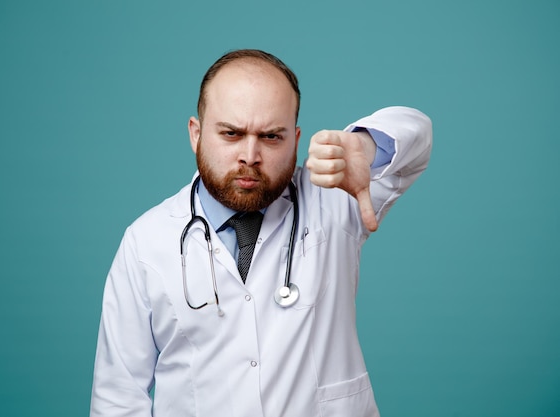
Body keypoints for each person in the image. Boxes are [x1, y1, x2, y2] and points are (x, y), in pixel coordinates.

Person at [90, 49, 432, 417]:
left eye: (271, 136)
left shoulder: (334, 199)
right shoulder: (146, 241)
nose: (250, 155)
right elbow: (117, 399)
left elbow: (417, 132)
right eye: (231, 133)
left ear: (296, 140)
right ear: (196, 134)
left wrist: (363, 147)